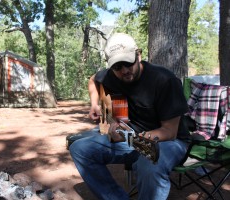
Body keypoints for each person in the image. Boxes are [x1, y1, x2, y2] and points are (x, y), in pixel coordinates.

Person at [69, 33, 189, 200]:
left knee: (149, 163)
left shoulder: (164, 80)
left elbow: (170, 131)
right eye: (118, 67)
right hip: (131, 138)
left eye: (128, 63)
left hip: (169, 142)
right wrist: (95, 105)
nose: (125, 70)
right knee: (80, 149)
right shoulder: (111, 76)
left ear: (138, 55)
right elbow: (93, 80)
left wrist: (132, 138)